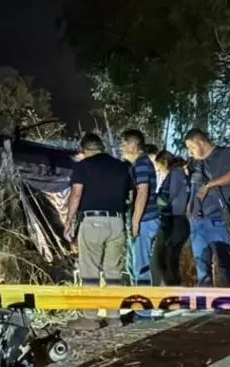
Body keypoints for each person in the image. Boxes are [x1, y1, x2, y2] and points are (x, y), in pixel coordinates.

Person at [64, 133, 131, 301]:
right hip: (117, 222)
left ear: (85, 150)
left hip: (93, 222)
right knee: (113, 272)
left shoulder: (83, 166)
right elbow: (130, 195)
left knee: (90, 271)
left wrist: (69, 221)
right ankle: (114, 313)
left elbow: (76, 194)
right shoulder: (121, 166)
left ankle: (90, 313)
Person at [184, 128, 230, 286]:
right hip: (197, 219)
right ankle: (205, 298)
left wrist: (210, 185)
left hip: (218, 218)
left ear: (200, 142)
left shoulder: (224, 154)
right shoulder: (193, 162)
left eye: (192, 147)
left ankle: (228, 297)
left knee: (223, 260)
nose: (190, 152)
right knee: (201, 264)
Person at [120, 129, 159, 285]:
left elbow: (143, 192)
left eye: (124, 144)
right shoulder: (138, 163)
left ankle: (143, 298)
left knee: (141, 264)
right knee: (135, 263)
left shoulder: (141, 163)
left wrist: (136, 222)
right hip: (144, 218)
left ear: (133, 145)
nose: (121, 147)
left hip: (145, 219)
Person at [151, 149, 190, 285]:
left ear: (164, 162)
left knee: (168, 257)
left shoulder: (175, 173)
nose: (159, 170)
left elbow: (168, 196)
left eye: (159, 166)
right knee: (168, 257)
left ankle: (171, 287)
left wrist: (154, 199)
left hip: (175, 219)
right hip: (176, 219)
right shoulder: (179, 172)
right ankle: (170, 286)